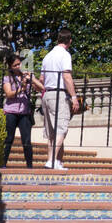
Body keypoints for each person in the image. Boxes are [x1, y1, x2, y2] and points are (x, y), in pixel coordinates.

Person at [40, 29, 78, 170]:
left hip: (47, 94)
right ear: (70, 41)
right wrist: (74, 97)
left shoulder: (47, 57)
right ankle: (51, 161)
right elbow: (66, 76)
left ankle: (52, 161)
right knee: (61, 128)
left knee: (51, 132)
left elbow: (42, 79)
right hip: (59, 94)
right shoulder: (65, 55)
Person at [1, 51, 42, 168]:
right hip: (11, 111)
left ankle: (29, 166)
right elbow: (9, 94)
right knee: (9, 138)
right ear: (10, 66)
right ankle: (3, 164)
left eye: (19, 64)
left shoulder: (27, 76)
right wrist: (22, 88)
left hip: (24, 112)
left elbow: (41, 88)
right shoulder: (7, 78)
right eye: (15, 65)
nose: (18, 67)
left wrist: (31, 79)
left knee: (27, 140)